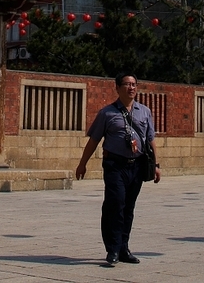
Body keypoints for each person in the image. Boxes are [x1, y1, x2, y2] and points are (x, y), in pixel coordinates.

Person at [76, 73, 161, 267]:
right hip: (115, 166)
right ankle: (112, 248)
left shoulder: (144, 111)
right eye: (127, 84)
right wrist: (83, 164)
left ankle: (124, 248)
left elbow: (151, 140)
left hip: (137, 166)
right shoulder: (107, 113)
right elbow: (94, 140)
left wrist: (156, 165)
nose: (131, 88)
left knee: (128, 207)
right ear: (117, 88)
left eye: (134, 84)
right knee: (116, 204)